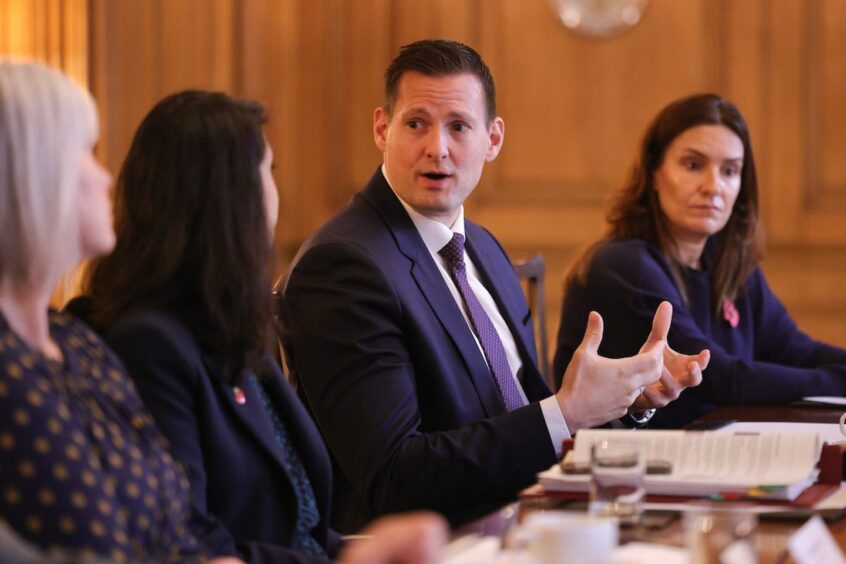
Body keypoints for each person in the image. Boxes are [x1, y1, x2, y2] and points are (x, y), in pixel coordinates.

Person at [280, 39, 709, 533]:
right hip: (433, 542)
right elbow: (395, 475)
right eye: (416, 123)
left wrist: (624, 399)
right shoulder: (343, 267)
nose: (436, 148)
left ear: (493, 139)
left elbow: (528, 421)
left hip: (525, 517)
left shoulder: (481, 247)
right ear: (383, 128)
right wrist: (566, 412)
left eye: (458, 126)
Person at [72, 90, 447, 564]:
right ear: (231, 199)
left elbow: (301, 526)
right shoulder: (149, 346)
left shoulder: (231, 325)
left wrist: (378, 548)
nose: (276, 190)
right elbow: (191, 541)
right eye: (266, 171)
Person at [0, 61, 219, 562]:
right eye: (86, 152)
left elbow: (175, 531)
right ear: (30, 176)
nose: (106, 178)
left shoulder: (77, 341)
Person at [553, 93, 846, 428]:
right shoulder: (624, 266)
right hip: (623, 467)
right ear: (653, 174)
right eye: (693, 165)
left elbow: (798, 351)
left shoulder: (730, 262)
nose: (713, 186)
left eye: (730, 170)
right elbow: (719, 378)